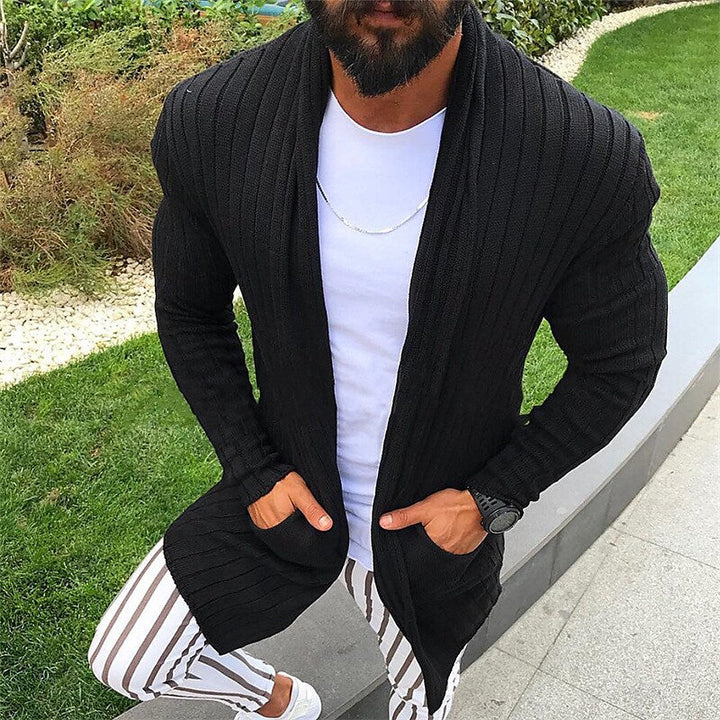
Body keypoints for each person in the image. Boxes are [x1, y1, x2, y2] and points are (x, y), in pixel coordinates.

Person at [88, 1, 669, 719]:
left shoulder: (579, 154)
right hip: (285, 496)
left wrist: (494, 497)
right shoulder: (216, 118)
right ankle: (279, 702)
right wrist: (253, 467)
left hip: (431, 530)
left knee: (422, 701)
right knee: (126, 656)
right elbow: (189, 311)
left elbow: (622, 360)